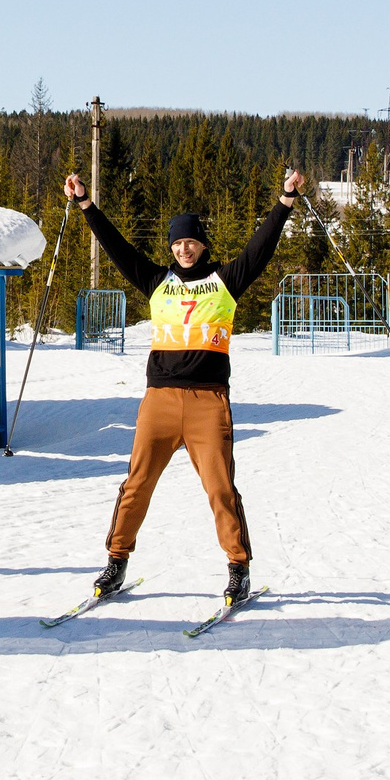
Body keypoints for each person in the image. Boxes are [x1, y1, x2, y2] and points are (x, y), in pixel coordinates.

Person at [63, 166, 306, 608]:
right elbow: (117, 248)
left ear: (203, 244)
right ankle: (116, 560)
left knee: (219, 488)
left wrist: (285, 201)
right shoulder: (159, 283)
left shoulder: (225, 283)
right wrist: (85, 204)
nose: (184, 248)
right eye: (177, 243)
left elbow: (260, 248)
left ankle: (238, 568)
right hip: (158, 401)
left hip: (208, 403)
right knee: (136, 484)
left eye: (190, 241)